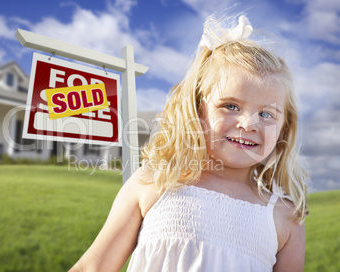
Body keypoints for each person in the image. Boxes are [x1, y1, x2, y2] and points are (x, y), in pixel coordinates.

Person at [69, 14, 308, 272]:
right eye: (230, 106)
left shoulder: (285, 217)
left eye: (266, 114)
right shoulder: (156, 181)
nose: (249, 124)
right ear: (196, 109)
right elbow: (92, 267)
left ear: (285, 125)